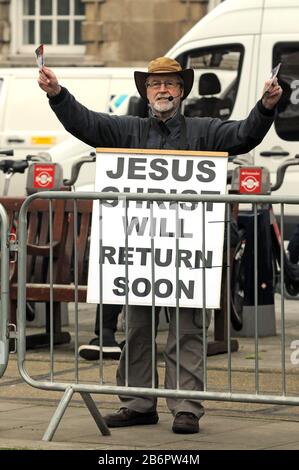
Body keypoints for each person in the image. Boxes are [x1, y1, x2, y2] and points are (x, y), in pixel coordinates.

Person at [38, 56, 282, 434]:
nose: (163, 90)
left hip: (188, 254)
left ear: (181, 92)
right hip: (140, 251)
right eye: (155, 85)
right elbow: (86, 123)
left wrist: (266, 107)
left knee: (187, 330)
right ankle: (138, 403)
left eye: (170, 84)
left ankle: (186, 408)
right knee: (137, 327)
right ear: (146, 93)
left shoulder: (205, 130)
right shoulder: (128, 130)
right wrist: (57, 94)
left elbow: (243, 135)